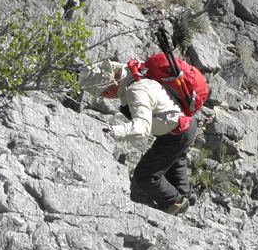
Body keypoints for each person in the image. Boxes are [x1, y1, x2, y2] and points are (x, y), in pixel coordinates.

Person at [78, 58, 197, 215]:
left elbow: (141, 128)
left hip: (177, 132)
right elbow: (109, 68)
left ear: (106, 88)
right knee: (174, 159)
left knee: (146, 175)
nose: (105, 97)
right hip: (184, 122)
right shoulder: (128, 72)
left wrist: (112, 132)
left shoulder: (135, 91)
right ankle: (187, 193)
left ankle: (176, 203)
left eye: (102, 93)